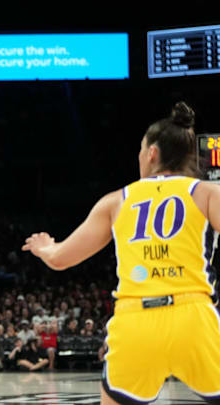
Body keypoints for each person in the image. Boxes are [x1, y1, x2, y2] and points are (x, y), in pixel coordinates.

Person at [23, 102, 220, 404]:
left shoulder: (116, 201)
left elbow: (60, 259)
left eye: (141, 149)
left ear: (152, 153)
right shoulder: (207, 192)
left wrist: (44, 246)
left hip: (135, 322)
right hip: (193, 317)